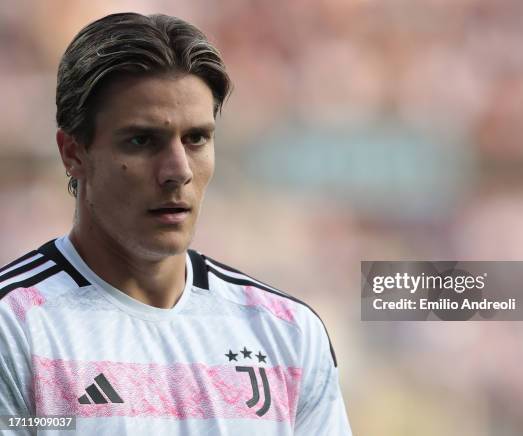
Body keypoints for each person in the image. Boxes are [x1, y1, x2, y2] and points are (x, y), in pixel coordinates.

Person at [0, 12, 351, 435]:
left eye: (196, 139)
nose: (177, 170)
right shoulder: (14, 327)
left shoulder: (287, 334)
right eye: (142, 140)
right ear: (73, 153)